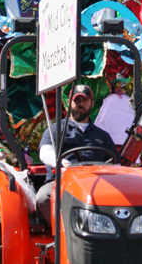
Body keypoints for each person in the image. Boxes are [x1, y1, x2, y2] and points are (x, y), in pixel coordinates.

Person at [35, 84, 120, 224]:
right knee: (44, 197)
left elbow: (116, 164)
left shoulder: (103, 136)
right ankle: (64, 230)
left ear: (91, 103)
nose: (80, 104)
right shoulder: (56, 130)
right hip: (61, 183)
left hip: (97, 184)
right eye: (77, 101)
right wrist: (63, 163)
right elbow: (45, 152)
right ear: (69, 103)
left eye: (85, 101)